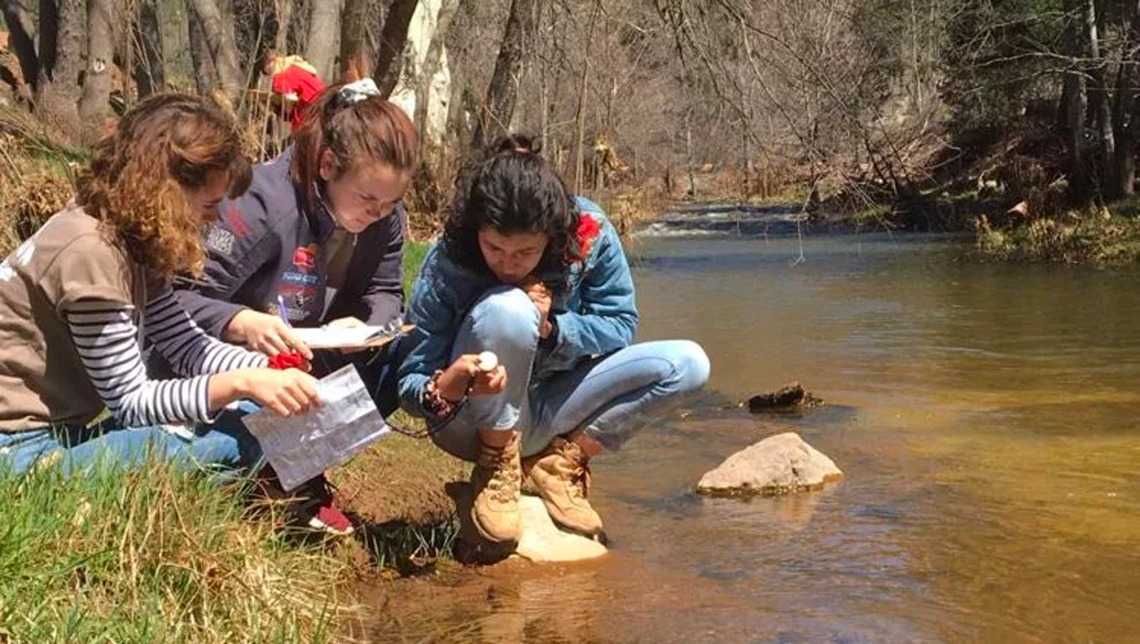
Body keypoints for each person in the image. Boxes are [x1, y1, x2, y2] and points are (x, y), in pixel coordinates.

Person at [0, 94, 321, 494]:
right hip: (19, 449)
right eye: (208, 204)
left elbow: (184, 344)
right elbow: (131, 402)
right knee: (245, 436)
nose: (214, 218)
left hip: (61, 430)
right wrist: (243, 383)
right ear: (165, 191)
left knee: (256, 416)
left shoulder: (127, 240)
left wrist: (268, 371)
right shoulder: (92, 255)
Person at [397, 135, 710, 544]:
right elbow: (409, 380)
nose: (507, 263)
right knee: (508, 306)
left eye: (525, 253)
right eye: (493, 248)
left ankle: (560, 461)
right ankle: (497, 466)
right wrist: (446, 386)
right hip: (468, 424)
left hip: (553, 407)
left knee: (689, 364)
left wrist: (554, 329)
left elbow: (620, 323)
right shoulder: (449, 258)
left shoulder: (590, 233)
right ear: (476, 229)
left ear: (553, 236)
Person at [173, 77, 418, 418]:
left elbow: (387, 291)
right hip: (232, 362)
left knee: (407, 351)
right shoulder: (261, 204)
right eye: (368, 199)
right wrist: (240, 321)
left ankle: (296, 456)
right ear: (328, 165)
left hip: (311, 352)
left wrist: (368, 327)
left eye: (392, 202)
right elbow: (176, 299)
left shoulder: (385, 216)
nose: (378, 213)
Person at [260, 50, 326, 133]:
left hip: (309, 110)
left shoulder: (281, 76)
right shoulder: (296, 66)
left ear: (270, 64)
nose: (270, 76)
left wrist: (273, 106)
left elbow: (285, 102)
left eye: (268, 72)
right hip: (323, 103)